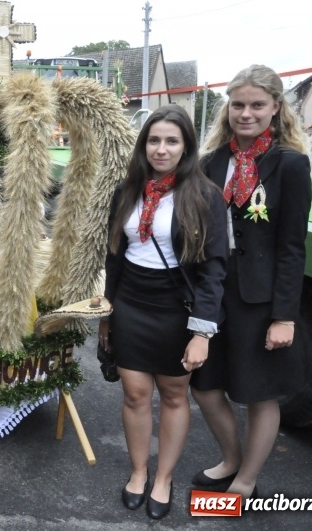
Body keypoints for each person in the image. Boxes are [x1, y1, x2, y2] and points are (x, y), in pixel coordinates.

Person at [98, 104, 227, 520]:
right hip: (131, 305)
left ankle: (164, 478)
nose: (161, 148)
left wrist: (201, 332)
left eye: (172, 140)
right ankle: (138, 471)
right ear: (144, 145)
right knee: (134, 394)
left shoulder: (205, 195)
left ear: (186, 146)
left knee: (174, 396)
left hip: (177, 310)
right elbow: (114, 255)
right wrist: (106, 312)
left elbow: (213, 269)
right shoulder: (127, 190)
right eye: (154, 140)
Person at [190, 64, 312, 500]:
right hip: (212, 290)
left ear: (276, 108)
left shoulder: (290, 165)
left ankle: (247, 478)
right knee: (204, 386)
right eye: (238, 104)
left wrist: (285, 317)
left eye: (257, 105)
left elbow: (292, 247)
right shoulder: (210, 162)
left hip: (260, 299)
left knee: (260, 394)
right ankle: (231, 457)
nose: (246, 113)